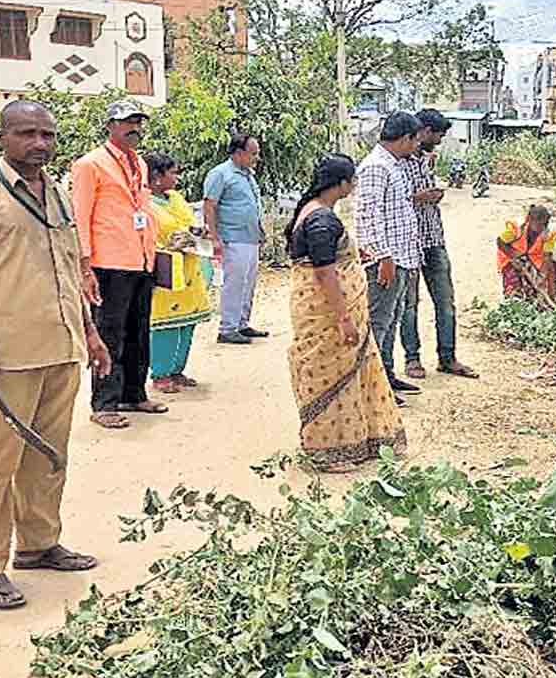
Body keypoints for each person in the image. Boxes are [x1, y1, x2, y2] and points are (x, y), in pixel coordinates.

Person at [0, 100, 110, 610]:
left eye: (47, 135)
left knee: (48, 454)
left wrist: (91, 335)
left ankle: (38, 544)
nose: (40, 143)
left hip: (61, 348)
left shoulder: (56, 193)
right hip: (7, 355)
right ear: (2, 139)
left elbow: (68, 270)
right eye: (27, 133)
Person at [284, 154, 407, 470]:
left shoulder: (312, 212)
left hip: (325, 306)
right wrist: (344, 318)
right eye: (352, 180)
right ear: (340, 184)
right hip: (327, 312)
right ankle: (330, 449)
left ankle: (354, 440)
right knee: (332, 375)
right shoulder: (321, 220)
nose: (354, 186)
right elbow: (324, 273)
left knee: (342, 372)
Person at [72, 101, 168, 429]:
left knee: (139, 330)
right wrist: (85, 266)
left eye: (138, 122)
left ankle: (134, 394)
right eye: (127, 122)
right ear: (110, 126)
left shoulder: (138, 163)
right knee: (110, 332)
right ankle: (104, 404)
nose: (134, 128)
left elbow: (143, 208)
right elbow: (80, 217)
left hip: (141, 259)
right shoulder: (90, 164)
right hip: (108, 262)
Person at [399, 109, 479, 381]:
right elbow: (391, 202)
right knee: (409, 305)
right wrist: (419, 197)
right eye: (439, 134)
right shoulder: (396, 161)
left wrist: (431, 196)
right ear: (424, 131)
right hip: (408, 242)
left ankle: (448, 357)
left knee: (445, 302)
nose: (441, 140)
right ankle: (412, 359)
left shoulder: (425, 160)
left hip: (434, 239)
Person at [355, 111, 424, 399]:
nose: (416, 146)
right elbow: (368, 217)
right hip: (386, 261)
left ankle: (386, 376)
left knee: (392, 320)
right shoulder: (375, 167)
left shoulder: (392, 165)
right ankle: (371, 386)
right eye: (415, 141)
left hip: (400, 259)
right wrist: (383, 257)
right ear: (405, 138)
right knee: (378, 323)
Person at [146, 153, 212, 394]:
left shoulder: (175, 198)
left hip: (190, 266)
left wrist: (197, 232)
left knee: (187, 322)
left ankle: (177, 369)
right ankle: (160, 373)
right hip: (166, 268)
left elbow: (187, 222)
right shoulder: (144, 203)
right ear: (156, 177)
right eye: (172, 173)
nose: (177, 177)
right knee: (165, 324)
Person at [203, 134, 268, 345]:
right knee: (234, 283)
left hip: (250, 237)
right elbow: (209, 205)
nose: (257, 157)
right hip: (232, 237)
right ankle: (228, 328)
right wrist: (214, 237)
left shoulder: (248, 174)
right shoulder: (220, 174)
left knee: (248, 283)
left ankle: (242, 323)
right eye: (253, 153)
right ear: (238, 153)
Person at [497, 204, 556, 306]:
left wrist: (542, 276)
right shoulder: (516, 228)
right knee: (513, 286)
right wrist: (514, 257)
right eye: (538, 224)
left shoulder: (549, 235)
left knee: (533, 290)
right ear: (530, 220)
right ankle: (512, 302)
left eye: (544, 224)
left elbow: (547, 257)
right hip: (509, 258)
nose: (541, 228)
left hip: (531, 262)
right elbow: (500, 242)